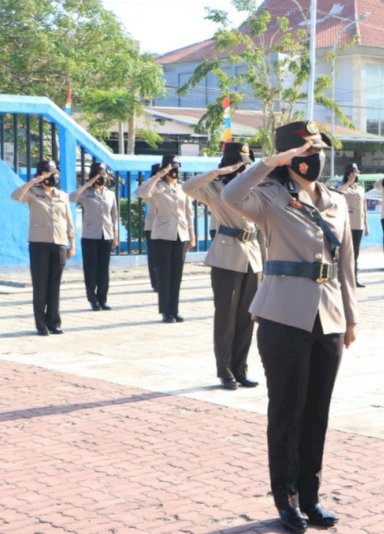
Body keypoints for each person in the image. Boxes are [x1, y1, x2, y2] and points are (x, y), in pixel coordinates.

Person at [222, 120, 357, 534]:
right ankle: (287, 501)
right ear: (292, 157)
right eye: (308, 150)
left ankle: (312, 498)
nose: (316, 158)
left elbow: (346, 264)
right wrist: (269, 162)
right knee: (287, 411)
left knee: (317, 411)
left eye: (320, 150)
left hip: (328, 314)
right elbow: (231, 195)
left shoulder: (336, 200)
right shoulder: (269, 197)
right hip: (283, 315)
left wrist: (350, 317)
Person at [183, 142, 262, 390]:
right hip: (227, 256)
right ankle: (225, 370)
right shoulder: (215, 188)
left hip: (253, 255)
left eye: (247, 163)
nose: (244, 167)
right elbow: (187, 187)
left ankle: (241, 369)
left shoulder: (255, 188)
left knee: (247, 317)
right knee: (226, 317)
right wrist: (218, 172)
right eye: (240, 163)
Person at [11, 160, 75, 335]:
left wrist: (72, 243)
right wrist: (34, 181)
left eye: (54, 173)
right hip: (39, 244)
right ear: (41, 174)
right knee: (40, 284)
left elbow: (69, 221)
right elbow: (15, 196)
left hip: (59, 243)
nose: (53, 177)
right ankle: (41, 324)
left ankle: (53, 322)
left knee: (55, 284)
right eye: (49, 173)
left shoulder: (62, 195)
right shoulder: (32, 193)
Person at [136, 155, 195, 322]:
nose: (175, 170)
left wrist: (192, 235)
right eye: (172, 167)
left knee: (177, 275)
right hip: (162, 235)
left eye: (177, 167)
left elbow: (188, 214)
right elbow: (141, 192)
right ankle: (165, 311)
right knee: (164, 274)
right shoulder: (157, 186)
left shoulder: (183, 188)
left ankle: (174, 309)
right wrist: (159, 175)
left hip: (180, 234)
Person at [70, 162, 119, 311]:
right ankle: (92, 299)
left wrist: (115, 236)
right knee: (91, 268)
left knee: (103, 269)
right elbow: (72, 197)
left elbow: (114, 216)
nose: (102, 178)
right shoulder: (86, 193)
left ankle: (102, 299)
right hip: (90, 235)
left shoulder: (110, 194)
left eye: (104, 175)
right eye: (99, 175)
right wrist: (88, 183)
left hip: (107, 234)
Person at [338, 163, 369, 287]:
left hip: (358, 224)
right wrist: (348, 183)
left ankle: (354, 278)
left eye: (356, 172)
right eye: (353, 172)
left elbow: (364, 207)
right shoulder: (343, 187)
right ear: (348, 173)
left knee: (355, 253)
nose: (355, 174)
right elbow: (338, 192)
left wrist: (367, 225)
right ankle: (343, 278)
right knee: (346, 253)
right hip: (347, 224)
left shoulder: (360, 188)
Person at [143, 164, 160, 292]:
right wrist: (155, 179)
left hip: (168, 225)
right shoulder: (148, 186)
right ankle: (155, 282)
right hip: (152, 225)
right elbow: (141, 192)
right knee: (154, 256)